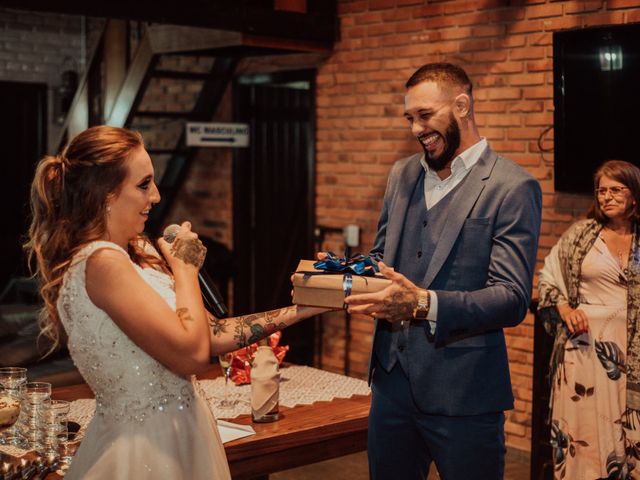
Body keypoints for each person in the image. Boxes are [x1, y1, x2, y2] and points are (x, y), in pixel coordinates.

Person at [25, 125, 326, 479]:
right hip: (143, 449)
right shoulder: (101, 262)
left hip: (184, 433)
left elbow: (210, 333)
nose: (154, 196)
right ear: (105, 193)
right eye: (143, 184)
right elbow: (192, 356)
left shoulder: (137, 251)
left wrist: (306, 308)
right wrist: (185, 270)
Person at [341, 63, 542, 479]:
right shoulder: (401, 175)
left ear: (462, 105)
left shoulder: (511, 186)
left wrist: (420, 303)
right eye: (410, 118)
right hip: (391, 385)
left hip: (464, 394)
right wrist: (327, 278)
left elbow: (511, 298)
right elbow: (381, 257)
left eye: (425, 115)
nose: (416, 128)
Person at [538, 160, 640, 479]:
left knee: (626, 430)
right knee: (582, 433)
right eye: (601, 190)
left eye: (615, 190)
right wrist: (566, 310)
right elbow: (549, 279)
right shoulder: (581, 234)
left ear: (634, 196)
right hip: (582, 351)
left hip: (631, 353)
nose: (606, 196)